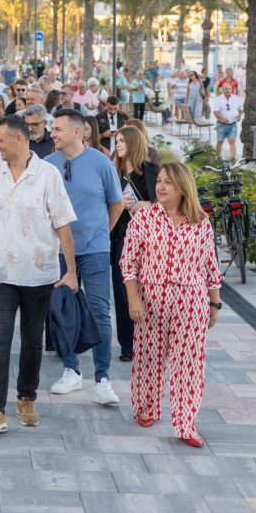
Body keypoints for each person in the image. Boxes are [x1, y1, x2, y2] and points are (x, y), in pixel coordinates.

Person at [0, 114, 78, 435]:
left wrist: (71, 270)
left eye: (0, 139)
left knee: (32, 340)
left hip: (38, 273)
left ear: (19, 139)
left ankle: (26, 397)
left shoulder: (48, 175)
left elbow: (63, 224)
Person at [121, 162, 222, 448]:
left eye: (169, 183)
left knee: (189, 365)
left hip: (191, 300)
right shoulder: (144, 218)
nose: (161, 187)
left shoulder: (200, 221)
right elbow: (129, 263)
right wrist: (133, 299)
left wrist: (215, 305)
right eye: (160, 181)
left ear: (183, 188)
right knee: (148, 358)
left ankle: (185, 423)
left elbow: (209, 267)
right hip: (152, 298)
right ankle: (147, 407)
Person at [45, 109, 124, 404]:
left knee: (100, 312)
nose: (53, 133)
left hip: (95, 250)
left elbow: (116, 204)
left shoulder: (101, 163)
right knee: (66, 312)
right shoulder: (47, 165)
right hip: (59, 252)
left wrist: (102, 232)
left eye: (59, 129)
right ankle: (71, 371)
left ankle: (102, 378)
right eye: (53, 128)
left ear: (78, 132)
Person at [110, 125, 158, 364]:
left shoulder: (152, 172)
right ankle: (127, 344)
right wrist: (121, 205)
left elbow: (169, 203)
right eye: (116, 141)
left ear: (134, 143)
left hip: (150, 242)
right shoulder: (113, 174)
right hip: (121, 238)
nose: (118, 145)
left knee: (148, 291)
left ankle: (149, 340)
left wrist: (146, 205)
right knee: (122, 291)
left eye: (122, 141)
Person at [212, 83, 243, 160]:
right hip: (221, 124)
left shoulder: (236, 98)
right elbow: (215, 112)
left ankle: (233, 158)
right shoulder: (218, 99)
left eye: (229, 89)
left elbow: (241, 109)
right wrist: (222, 118)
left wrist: (240, 116)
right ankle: (218, 157)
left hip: (233, 124)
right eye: (226, 89)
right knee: (220, 141)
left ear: (231, 89)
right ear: (222, 90)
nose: (228, 90)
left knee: (232, 141)